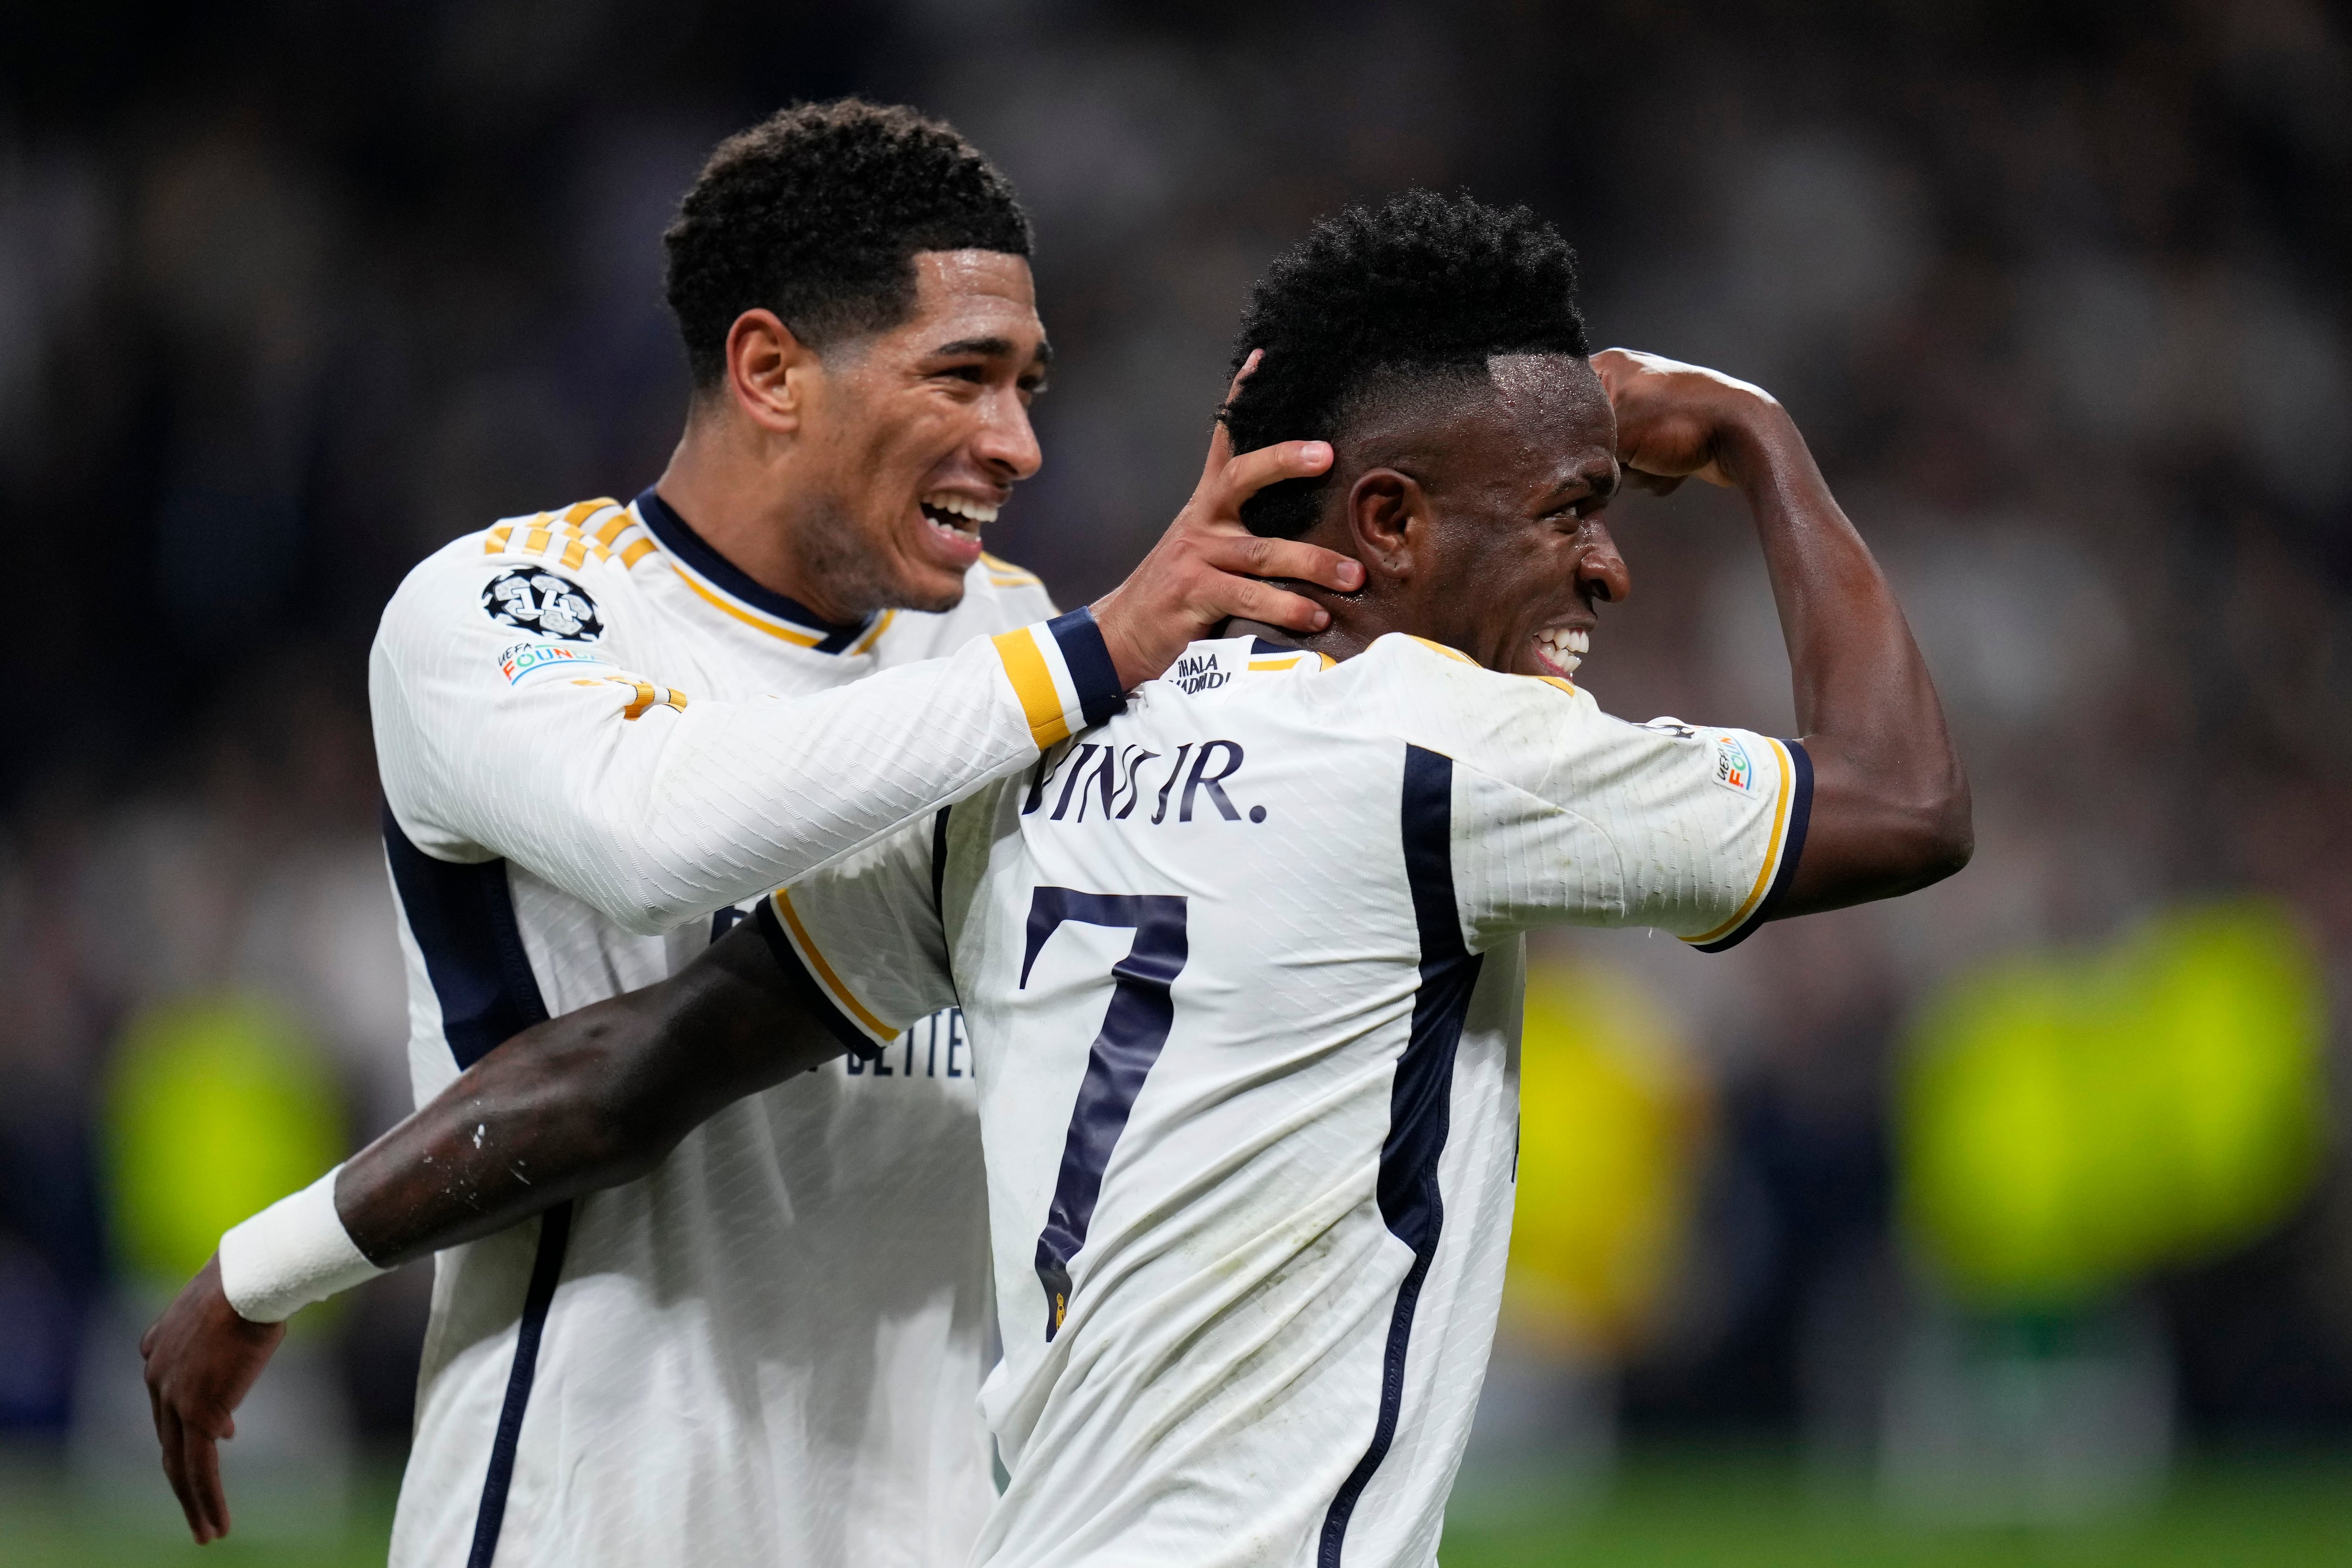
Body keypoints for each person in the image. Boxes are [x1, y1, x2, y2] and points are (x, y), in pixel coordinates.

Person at [152, 191, 1968, 1566]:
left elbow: (642, 1063)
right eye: (1574, 514)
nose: (1607, 574)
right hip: (620, 1501)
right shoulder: (1395, 739)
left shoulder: (1029, 743)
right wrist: (1746, 432)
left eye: (1032, 387)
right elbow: (1902, 802)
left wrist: (258, 1270)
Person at [138, 100, 1355, 1565]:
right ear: (771, 368)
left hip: (932, 1520)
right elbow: (662, 831)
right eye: (964, 377)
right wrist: (1089, 661)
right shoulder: (507, 611)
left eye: (1029, 384)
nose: (1019, 441)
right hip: (584, 1511)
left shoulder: (1022, 644)